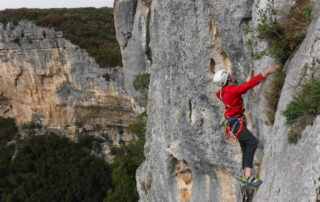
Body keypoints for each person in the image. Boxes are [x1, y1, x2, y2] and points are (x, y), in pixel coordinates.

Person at [213, 64, 279, 187]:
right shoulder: (231, 90)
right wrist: (266, 71)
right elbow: (247, 86)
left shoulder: (221, 92)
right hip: (236, 123)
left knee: (245, 147)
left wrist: (250, 77)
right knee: (252, 142)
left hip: (233, 123)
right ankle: (248, 176)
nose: (230, 73)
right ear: (227, 79)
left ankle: (244, 176)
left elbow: (242, 88)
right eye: (228, 74)